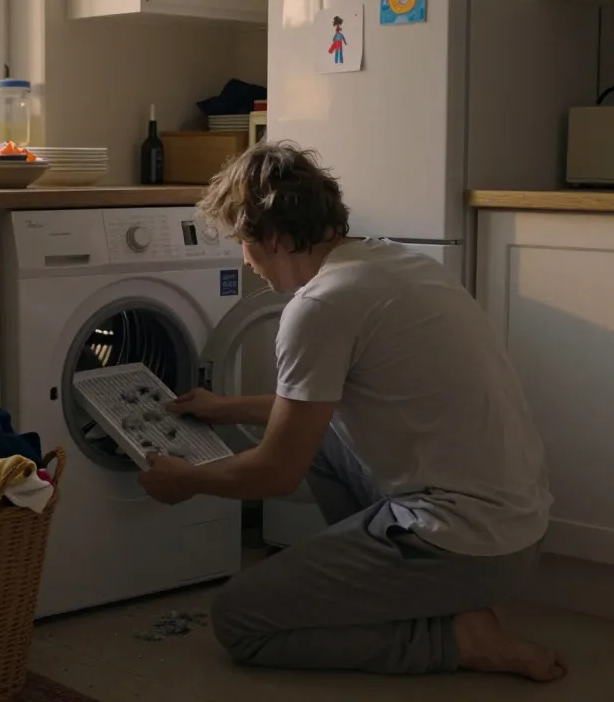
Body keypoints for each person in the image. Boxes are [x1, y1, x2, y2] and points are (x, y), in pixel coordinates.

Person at [136, 141, 565, 682]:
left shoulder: (318, 306)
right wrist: (229, 408)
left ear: (273, 237)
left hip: (461, 543)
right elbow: (317, 408)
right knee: (324, 440)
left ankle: (457, 639)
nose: (244, 261)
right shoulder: (391, 261)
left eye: (244, 243)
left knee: (241, 620)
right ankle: (411, 591)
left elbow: (276, 470)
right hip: (515, 528)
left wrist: (189, 480)